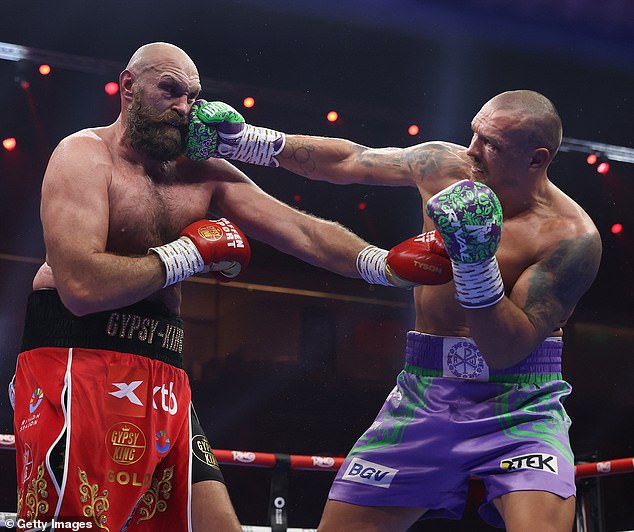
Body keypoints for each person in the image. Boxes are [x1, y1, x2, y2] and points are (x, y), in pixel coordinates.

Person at [10, 42, 450, 531]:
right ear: (129, 87)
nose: (184, 108)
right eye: (170, 91)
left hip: (164, 375)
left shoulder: (202, 173)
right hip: (79, 363)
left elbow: (302, 230)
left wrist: (383, 264)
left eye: (192, 97)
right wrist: (188, 254)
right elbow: (80, 287)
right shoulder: (83, 156)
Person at [185, 90, 602, 531]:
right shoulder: (445, 166)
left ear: (537, 159)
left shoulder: (571, 238)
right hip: (426, 396)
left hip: (521, 403)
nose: (473, 151)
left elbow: (505, 348)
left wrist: (474, 262)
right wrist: (243, 142)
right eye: (475, 133)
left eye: (492, 145)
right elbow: (349, 161)